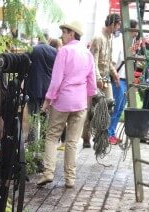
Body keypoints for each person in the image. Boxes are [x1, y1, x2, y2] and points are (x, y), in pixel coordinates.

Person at [36, 19, 96, 189]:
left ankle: (48, 172)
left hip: (62, 101)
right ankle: (70, 178)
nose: (61, 35)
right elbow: (92, 82)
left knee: (52, 136)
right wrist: (88, 100)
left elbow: (56, 80)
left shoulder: (64, 52)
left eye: (64, 32)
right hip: (80, 103)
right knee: (71, 142)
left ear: (71, 33)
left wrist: (48, 100)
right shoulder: (87, 53)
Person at [83, 13, 120, 148]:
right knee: (90, 110)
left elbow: (108, 61)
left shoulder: (110, 38)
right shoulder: (98, 38)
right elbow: (93, 61)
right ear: (112, 24)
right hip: (94, 79)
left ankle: (100, 136)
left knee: (109, 106)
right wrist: (97, 78)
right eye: (117, 25)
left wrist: (115, 74)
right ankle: (86, 136)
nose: (118, 29)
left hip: (106, 79)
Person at [107, 19, 138, 144]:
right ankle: (108, 134)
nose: (136, 33)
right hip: (118, 80)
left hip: (125, 80)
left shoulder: (131, 43)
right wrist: (115, 77)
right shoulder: (120, 42)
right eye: (135, 30)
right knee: (115, 109)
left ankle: (111, 133)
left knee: (120, 109)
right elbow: (113, 62)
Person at [26, 37, 58, 116]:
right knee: (45, 116)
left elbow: (23, 65)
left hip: (33, 87)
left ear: (38, 39)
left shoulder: (32, 50)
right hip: (48, 87)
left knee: (33, 116)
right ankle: (44, 128)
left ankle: (34, 128)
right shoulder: (55, 52)